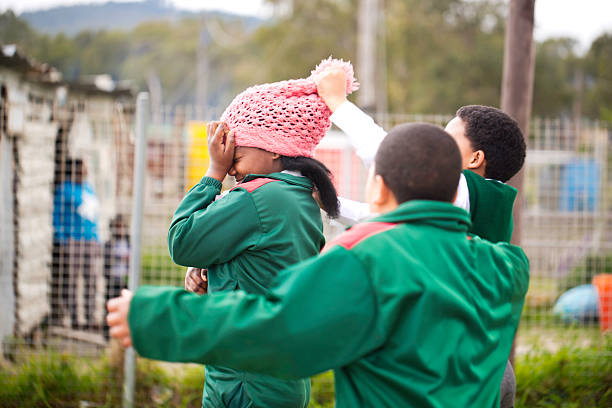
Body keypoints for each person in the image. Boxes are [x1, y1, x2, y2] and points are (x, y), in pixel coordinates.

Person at [107, 123, 530, 408]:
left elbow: (278, 331)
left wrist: (153, 316)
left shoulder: (368, 262)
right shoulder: (508, 267)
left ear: (378, 189)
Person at [315, 69, 526, 406]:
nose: (432, 147)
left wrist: (337, 103)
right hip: (486, 365)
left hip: (456, 373)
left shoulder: (466, 189)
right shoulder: (482, 200)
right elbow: (389, 217)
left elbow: (392, 155)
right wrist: (332, 203)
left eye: (446, 140)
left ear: (475, 159)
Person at [159, 58, 356, 408]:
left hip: (244, 384)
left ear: (273, 148)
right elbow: (260, 264)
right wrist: (215, 268)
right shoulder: (300, 198)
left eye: (237, 151)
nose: (231, 163)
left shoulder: (259, 197)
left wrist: (212, 172)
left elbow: (181, 240)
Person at [51, 158, 101, 330]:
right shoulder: (64, 190)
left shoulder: (88, 188)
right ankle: (74, 319)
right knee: (71, 280)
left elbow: (95, 215)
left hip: (90, 241)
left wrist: (97, 238)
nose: (84, 172)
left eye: (85, 169)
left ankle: (90, 318)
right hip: (73, 240)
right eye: (81, 169)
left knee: (91, 280)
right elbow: (56, 215)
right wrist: (63, 239)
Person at [102, 215, 130, 340]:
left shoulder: (128, 242)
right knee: (109, 306)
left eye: (121, 227)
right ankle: (107, 334)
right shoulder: (109, 244)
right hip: (112, 280)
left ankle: (123, 334)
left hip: (124, 280)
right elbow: (106, 261)